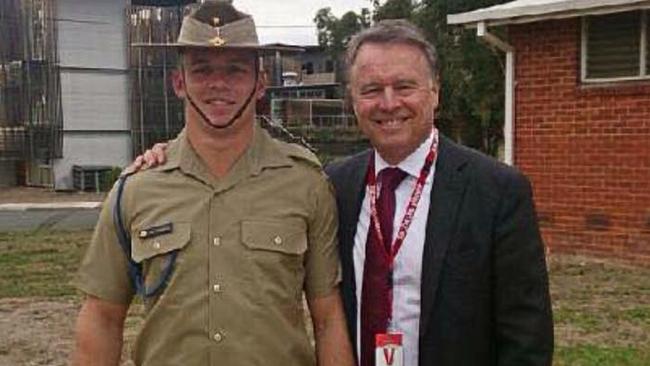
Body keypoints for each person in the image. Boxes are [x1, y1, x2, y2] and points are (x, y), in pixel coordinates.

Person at [135, 18, 554, 366]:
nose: (388, 103)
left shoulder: (496, 190)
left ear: (435, 92)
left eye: (404, 86)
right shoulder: (334, 184)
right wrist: (166, 155)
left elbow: (526, 336)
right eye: (371, 90)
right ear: (353, 99)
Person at [72, 2, 354, 366]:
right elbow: (102, 316)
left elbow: (328, 318)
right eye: (202, 70)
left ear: (261, 84)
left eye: (235, 71)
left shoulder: (306, 184)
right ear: (179, 83)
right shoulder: (137, 189)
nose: (218, 84)